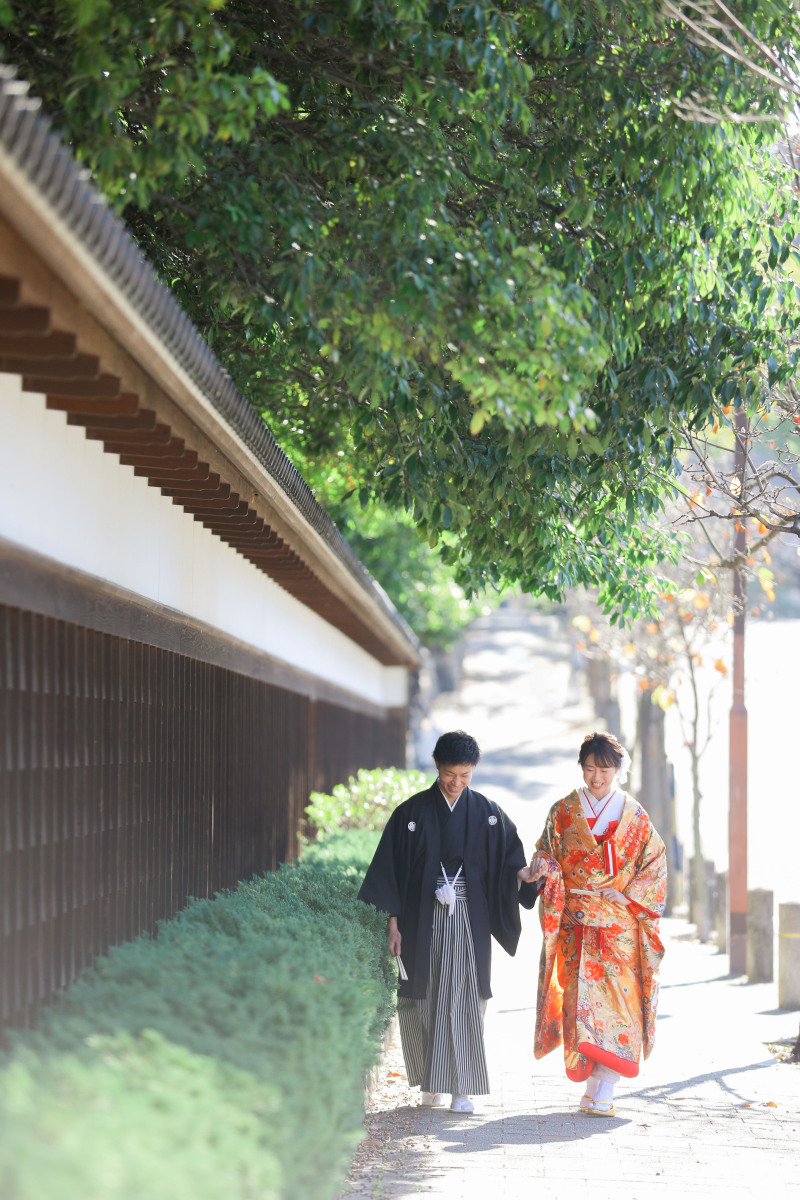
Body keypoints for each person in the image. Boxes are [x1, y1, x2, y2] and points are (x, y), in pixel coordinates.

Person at [358, 730, 541, 1113]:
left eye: (464, 775)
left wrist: (523, 876)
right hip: (420, 917)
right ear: (437, 767)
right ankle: (430, 1083)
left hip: (468, 917)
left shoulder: (488, 813)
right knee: (420, 998)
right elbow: (388, 871)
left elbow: (509, 861)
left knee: (466, 998)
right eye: (449, 774)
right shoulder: (410, 813)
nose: (456, 783)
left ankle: (462, 1088)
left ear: (473, 770)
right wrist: (392, 923)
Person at [530, 731, 666, 1117]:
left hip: (618, 925)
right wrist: (543, 867)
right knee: (578, 1004)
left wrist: (628, 895)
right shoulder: (563, 811)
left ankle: (607, 1086)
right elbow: (547, 852)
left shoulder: (634, 815)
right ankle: (593, 1087)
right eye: (589, 769)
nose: (596, 778)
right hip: (576, 922)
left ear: (619, 770)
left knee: (618, 1006)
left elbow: (654, 862)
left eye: (604, 770)